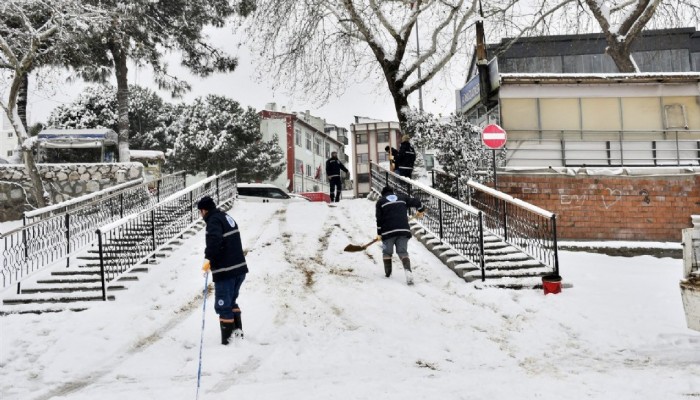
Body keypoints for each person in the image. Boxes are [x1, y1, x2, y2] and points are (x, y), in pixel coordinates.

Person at [198, 196, 248, 345]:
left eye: (200, 212)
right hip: (239, 269)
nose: (201, 215)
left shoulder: (213, 221)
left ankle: (229, 343)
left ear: (204, 210)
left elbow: (215, 241)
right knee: (231, 302)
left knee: (223, 305)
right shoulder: (226, 217)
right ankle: (238, 337)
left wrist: (208, 259)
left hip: (226, 271)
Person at [375, 185, 425, 285]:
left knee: (387, 252)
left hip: (387, 232)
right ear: (392, 192)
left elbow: (379, 219)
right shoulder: (402, 198)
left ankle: (388, 274)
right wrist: (420, 209)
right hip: (403, 230)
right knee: (403, 252)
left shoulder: (380, 202)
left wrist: (379, 233)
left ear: (383, 194)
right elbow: (416, 201)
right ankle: (408, 272)